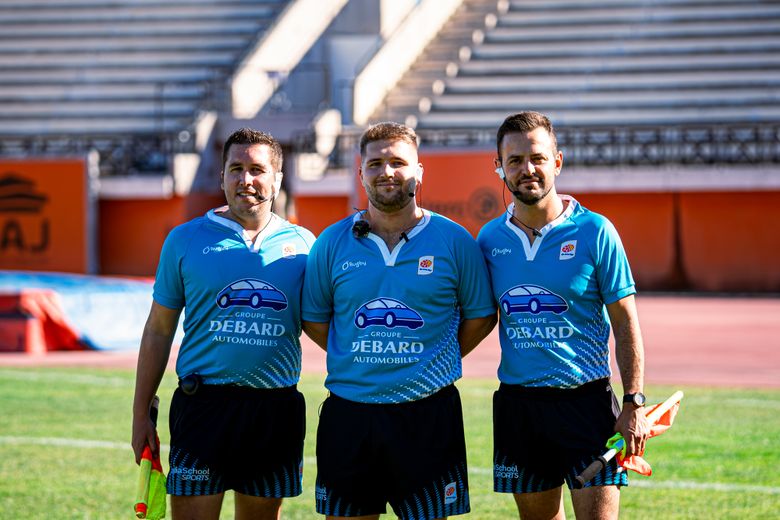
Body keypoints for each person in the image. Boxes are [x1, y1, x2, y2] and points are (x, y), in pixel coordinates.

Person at [302, 121, 496, 520]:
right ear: (360, 172)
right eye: (375, 164)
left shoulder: (455, 240)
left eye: (397, 162)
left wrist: (432, 358)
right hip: (350, 414)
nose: (386, 172)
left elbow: (481, 316)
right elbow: (315, 319)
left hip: (428, 413)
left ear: (419, 171)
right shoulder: (331, 243)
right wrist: (358, 356)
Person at [131, 127, 315, 520]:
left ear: (277, 178)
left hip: (274, 409)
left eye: (257, 169)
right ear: (222, 177)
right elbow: (159, 328)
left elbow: (323, 323)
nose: (245, 179)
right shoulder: (184, 240)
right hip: (203, 407)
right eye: (236, 169)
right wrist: (140, 413)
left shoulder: (305, 245)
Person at [476, 111, 650, 519]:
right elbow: (478, 317)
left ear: (557, 161)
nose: (527, 169)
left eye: (537, 158)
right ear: (499, 167)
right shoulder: (489, 239)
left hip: (586, 404)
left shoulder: (595, 231)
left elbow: (625, 322)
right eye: (515, 160)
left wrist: (634, 402)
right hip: (519, 406)